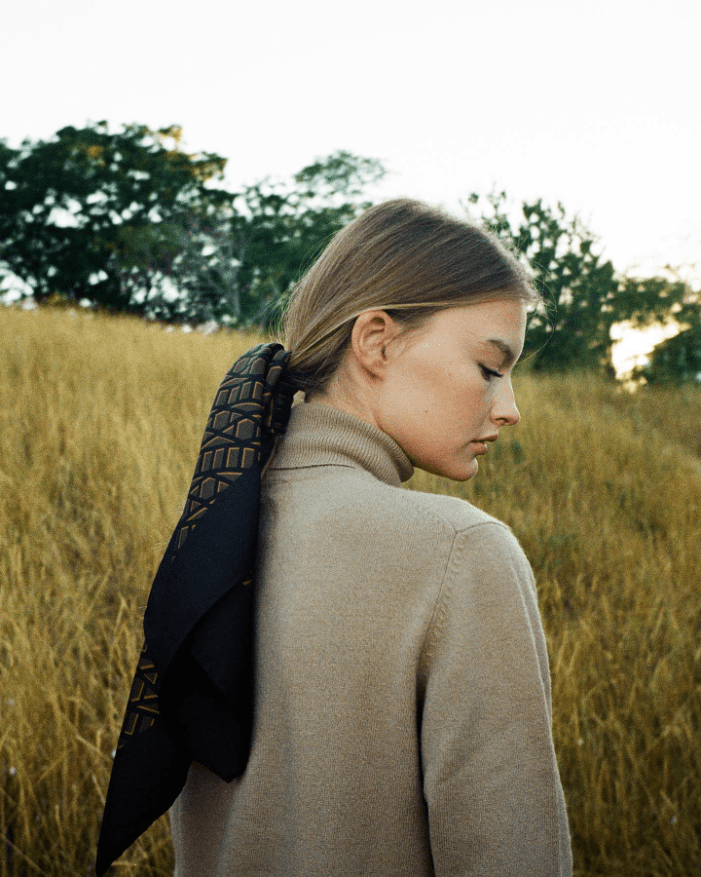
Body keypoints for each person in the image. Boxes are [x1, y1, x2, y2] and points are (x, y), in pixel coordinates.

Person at [166, 199, 573, 876]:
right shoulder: (459, 552)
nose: (509, 407)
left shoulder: (209, 536)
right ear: (377, 342)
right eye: (489, 366)